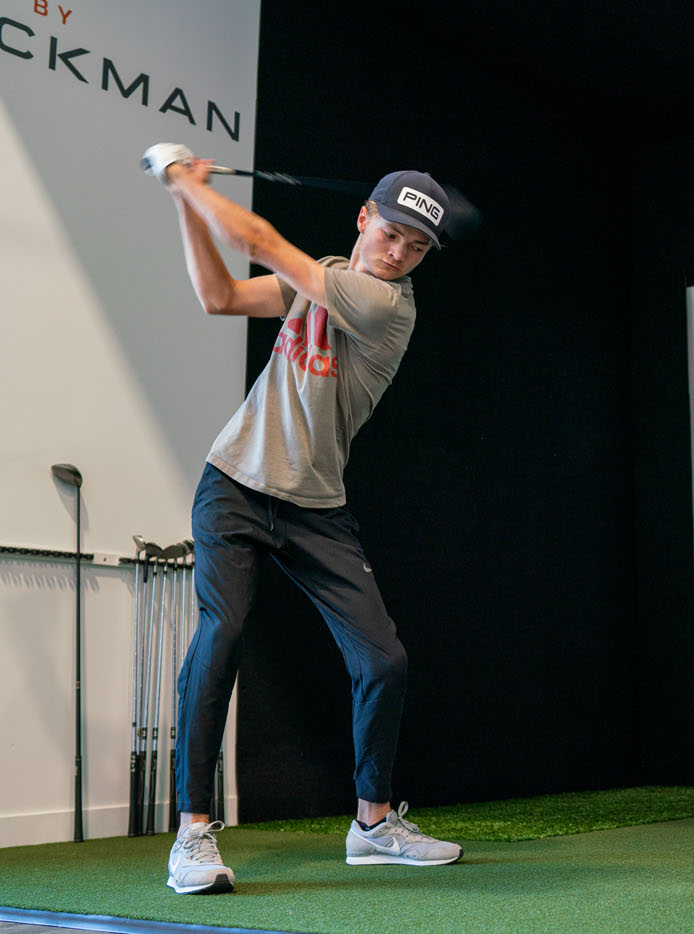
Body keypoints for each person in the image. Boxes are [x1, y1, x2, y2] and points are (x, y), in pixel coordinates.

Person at [141, 143, 462, 895]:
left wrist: (185, 181)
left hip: (317, 507)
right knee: (221, 636)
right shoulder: (328, 279)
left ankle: (373, 825)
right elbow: (218, 297)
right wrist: (183, 201)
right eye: (391, 235)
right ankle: (191, 834)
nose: (398, 255)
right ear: (364, 218)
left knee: (383, 660)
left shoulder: (386, 307)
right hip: (234, 485)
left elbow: (259, 241)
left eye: (416, 248)